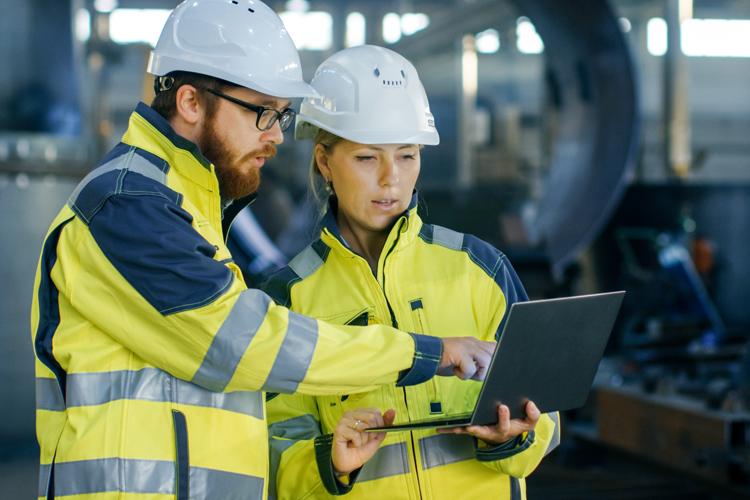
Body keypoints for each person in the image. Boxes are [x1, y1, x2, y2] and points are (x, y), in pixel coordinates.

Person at [29, 2, 495, 499]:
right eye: (263, 113)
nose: (276, 135)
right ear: (190, 102)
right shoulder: (128, 205)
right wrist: (425, 352)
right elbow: (242, 344)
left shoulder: (187, 205)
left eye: (281, 115)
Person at [264, 45, 561, 499]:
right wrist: (330, 462)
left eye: (407, 156)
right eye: (367, 158)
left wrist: (517, 435)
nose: (391, 179)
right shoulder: (290, 298)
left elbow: (547, 418)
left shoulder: (479, 268)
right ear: (325, 161)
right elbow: (275, 456)